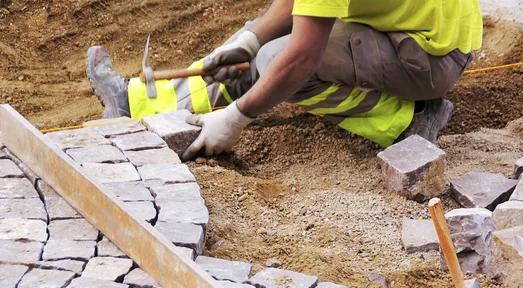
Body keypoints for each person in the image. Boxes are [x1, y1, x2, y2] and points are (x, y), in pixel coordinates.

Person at [86, 0, 482, 158]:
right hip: (413, 25)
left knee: (278, 59)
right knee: (261, 39)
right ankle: (136, 103)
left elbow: (300, 60)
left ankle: (407, 122)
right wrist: (249, 39)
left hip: (429, 54)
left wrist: (237, 116)